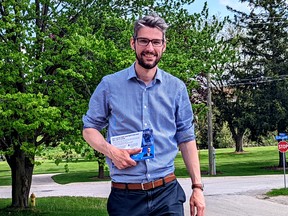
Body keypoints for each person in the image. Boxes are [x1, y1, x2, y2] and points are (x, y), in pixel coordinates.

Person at [82, 12, 205, 216]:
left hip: (167, 193)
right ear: (133, 43)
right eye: (144, 41)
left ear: (164, 46)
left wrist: (197, 188)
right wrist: (111, 151)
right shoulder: (109, 85)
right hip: (125, 197)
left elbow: (186, 137)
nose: (150, 48)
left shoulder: (177, 88)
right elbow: (89, 129)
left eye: (156, 42)